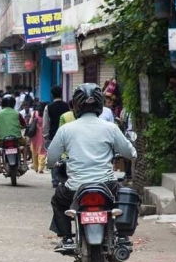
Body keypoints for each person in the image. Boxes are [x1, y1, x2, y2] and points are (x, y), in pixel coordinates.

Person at [47, 84, 136, 250]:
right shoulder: (111, 128)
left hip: (75, 188)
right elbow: (129, 153)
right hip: (107, 186)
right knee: (125, 196)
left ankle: (67, 238)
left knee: (58, 201)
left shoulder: (66, 129)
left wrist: (51, 164)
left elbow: (51, 158)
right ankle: (122, 237)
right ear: (100, 103)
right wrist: (131, 153)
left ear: (75, 105)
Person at [0, 95, 27, 170]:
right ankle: (24, 163)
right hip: (17, 138)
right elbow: (24, 124)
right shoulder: (17, 113)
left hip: (1, 139)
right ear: (14, 104)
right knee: (25, 145)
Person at [43, 86, 69, 188]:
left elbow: (46, 123)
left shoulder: (48, 107)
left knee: (54, 157)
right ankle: (65, 178)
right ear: (61, 94)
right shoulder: (67, 106)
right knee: (66, 156)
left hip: (53, 134)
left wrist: (45, 135)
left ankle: (55, 180)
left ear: (52, 95)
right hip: (66, 135)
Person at [30, 102, 47, 174]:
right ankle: (41, 167)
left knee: (34, 150)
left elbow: (30, 123)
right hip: (43, 134)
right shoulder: (46, 113)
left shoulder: (34, 113)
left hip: (35, 134)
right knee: (43, 151)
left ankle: (36, 167)